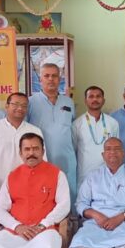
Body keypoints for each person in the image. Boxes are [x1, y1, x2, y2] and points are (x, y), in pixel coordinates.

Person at [0, 92, 42, 196]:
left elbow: (42, 160)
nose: (20, 108)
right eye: (15, 104)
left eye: (24, 105)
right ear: (6, 106)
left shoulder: (35, 131)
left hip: (29, 189)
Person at [27, 62, 77, 196]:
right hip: (41, 160)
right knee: (43, 197)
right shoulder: (30, 102)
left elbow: (73, 130)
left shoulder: (69, 102)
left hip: (66, 160)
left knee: (67, 195)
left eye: (54, 76)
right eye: (47, 76)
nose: (51, 79)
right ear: (40, 79)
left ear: (59, 79)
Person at [73, 86, 120, 190]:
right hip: (84, 176)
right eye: (91, 96)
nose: (95, 99)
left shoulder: (113, 123)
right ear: (85, 101)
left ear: (103, 100)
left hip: (107, 176)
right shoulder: (77, 124)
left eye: (98, 96)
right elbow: (74, 150)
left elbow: (116, 151)